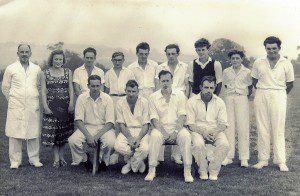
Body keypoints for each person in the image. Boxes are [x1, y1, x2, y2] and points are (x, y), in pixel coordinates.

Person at [251, 36, 294, 172]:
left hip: (279, 94)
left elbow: (290, 83)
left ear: (279, 48)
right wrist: (264, 91)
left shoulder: (286, 63)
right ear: (265, 49)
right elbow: (254, 80)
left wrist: (279, 93)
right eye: (268, 48)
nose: (271, 51)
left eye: (274, 48)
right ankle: (263, 160)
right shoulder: (259, 62)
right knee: (262, 127)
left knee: (278, 128)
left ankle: (280, 160)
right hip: (262, 93)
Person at [145, 70, 194, 183]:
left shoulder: (180, 95)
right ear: (159, 81)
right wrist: (164, 133)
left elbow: (182, 116)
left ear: (172, 81)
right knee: (154, 137)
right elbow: (154, 119)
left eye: (167, 80)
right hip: (160, 129)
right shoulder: (153, 97)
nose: (165, 83)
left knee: (186, 136)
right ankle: (152, 170)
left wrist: (176, 132)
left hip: (177, 128)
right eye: (163, 81)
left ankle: (187, 171)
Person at [2, 44, 43, 169]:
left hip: (32, 104)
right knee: (15, 132)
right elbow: (5, 87)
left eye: (26, 51)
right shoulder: (11, 68)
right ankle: (15, 161)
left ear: (30, 53)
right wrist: (13, 100)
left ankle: (34, 159)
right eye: (22, 52)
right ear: (18, 53)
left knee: (33, 132)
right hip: (16, 105)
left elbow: (39, 86)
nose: (24, 54)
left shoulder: (37, 69)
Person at [68, 75, 116, 169]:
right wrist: (88, 136)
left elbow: (110, 122)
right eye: (93, 86)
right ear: (88, 85)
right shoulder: (81, 98)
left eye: (97, 86)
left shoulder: (107, 98)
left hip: (104, 127)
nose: (95, 88)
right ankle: (85, 159)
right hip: (87, 127)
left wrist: (97, 136)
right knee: (73, 141)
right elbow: (78, 120)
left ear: (101, 86)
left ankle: (103, 161)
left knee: (111, 142)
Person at [187, 76, 229, 181]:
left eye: (211, 88)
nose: (208, 90)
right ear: (201, 87)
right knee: (198, 144)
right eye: (206, 87)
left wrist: (214, 132)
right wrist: (203, 132)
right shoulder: (191, 101)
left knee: (224, 145)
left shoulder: (219, 102)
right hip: (197, 130)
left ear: (214, 87)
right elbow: (190, 124)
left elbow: (223, 124)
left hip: (215, 131)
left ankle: (213, 170)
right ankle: (202, 170)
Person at [155, 44, 189, 164]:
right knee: (163, 121)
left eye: (173, 53)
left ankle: (176, 155)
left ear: (177, 54)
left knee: (177, 124)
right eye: (168, 54)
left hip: (179, 98)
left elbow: (187, 84)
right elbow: (157, 84)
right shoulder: (161, 67)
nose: (171, 56)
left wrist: (186, 99)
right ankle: (159, 156)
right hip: (164, 96)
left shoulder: (185, 66)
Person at [41, 50, 74, 167]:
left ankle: (62, 157)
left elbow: (70, 88)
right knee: (54, 133)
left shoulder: (68, 72)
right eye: (56, 59)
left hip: (65, 106)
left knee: (63, 132)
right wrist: (45, 106)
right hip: (51, 107)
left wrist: (71, 104)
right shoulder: (45, 73)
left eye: (60, 59)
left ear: (63, 60)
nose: (58, 61)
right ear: (52, 60)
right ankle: (56, 158)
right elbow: (43, 91)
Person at [221, 50, 252, 167]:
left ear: (241, 59)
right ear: (230, 60)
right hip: (229, 98)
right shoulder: (226, 71)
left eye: (237, 58)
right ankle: (228, 156)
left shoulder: (247, 71)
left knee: (243, 127)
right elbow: (224, 85)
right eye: (233, 58)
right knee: (229, 127)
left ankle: (244, 158)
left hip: (242, 98)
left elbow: (250, 87)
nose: (235, 60)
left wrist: (242, 96)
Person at [104, 51, 136, 164]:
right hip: (112, 99)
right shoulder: (108, 73)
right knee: (114, 126)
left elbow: (133, 88)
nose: (117, 62)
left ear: (123, 60)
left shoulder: (128, 72)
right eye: (115, 60)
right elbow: (106, 91)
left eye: (119, 60)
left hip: (125, 99)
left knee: (125, 124)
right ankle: (114, 153)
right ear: (112, 60)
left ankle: (126, 152)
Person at [114, 80, 149, 174]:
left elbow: (146, 124)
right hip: (126, 130)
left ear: (138, 91)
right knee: (118, 146)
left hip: (141, 130)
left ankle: (130, 163)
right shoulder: (120, 103)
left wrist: (138, 138)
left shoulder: (144, 102)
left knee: (145, 148)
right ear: (125, 90)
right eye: (129, 91)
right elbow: (121, 123)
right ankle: (138, 161)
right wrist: (129, 138)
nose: (131, 94)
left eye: (133, 91)